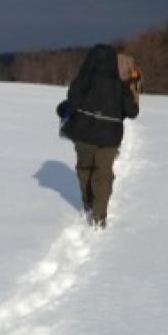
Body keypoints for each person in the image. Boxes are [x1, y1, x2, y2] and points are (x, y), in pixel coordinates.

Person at [56, 44, 140, 228]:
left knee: (85, 169)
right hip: (109, 136)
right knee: (103, 175)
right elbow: (132, 111)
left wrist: (64, 110)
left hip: (83, 133)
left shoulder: (82, 80)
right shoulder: (120, 84)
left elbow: (73, 102)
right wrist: (133, 88)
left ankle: (88, 204)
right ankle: (99, 217)